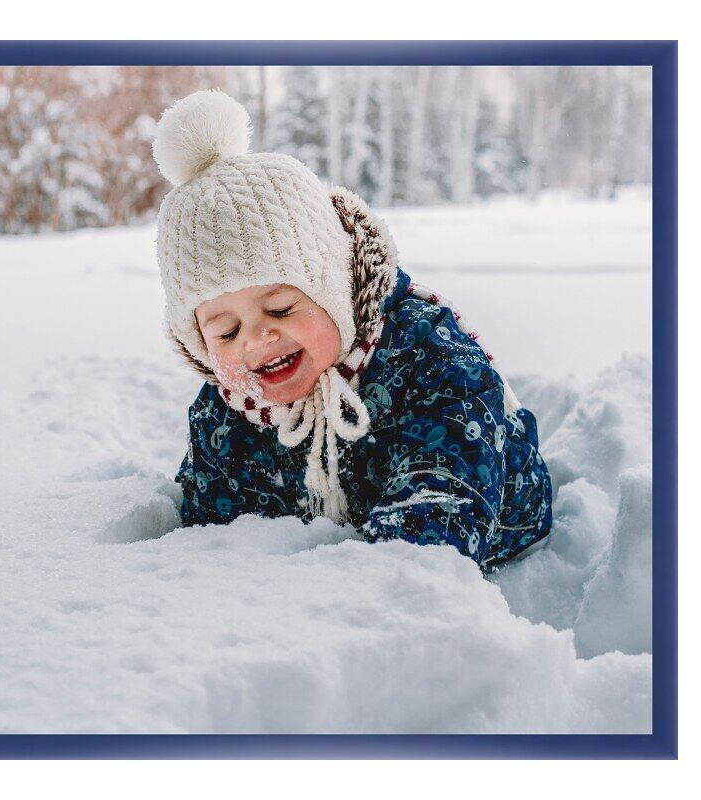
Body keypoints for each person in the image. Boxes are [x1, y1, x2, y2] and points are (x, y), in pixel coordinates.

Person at [153, 89, 553, 570]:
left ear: (336, 290)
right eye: (225, 331)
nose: (255, 340)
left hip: (494, 523)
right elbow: (209, 526)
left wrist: (361, 584)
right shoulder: (227, 414)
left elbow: (443, 506)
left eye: (280, 309)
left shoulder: (430, 359)